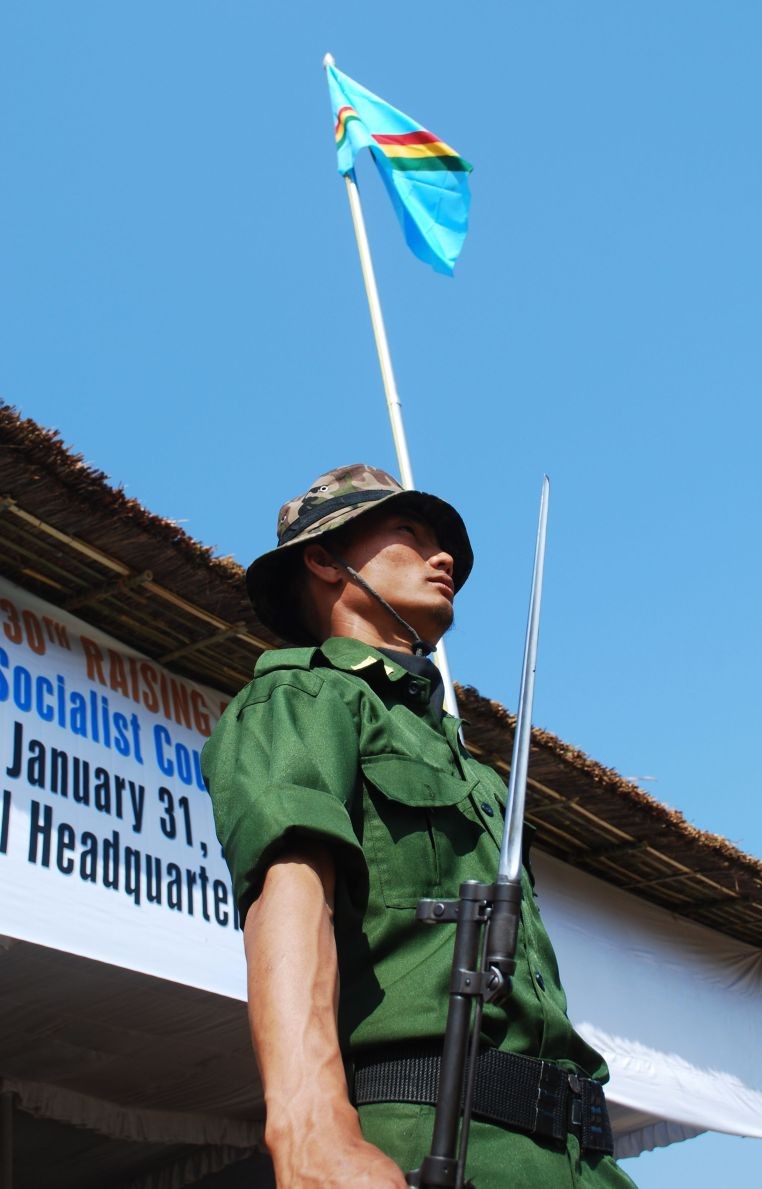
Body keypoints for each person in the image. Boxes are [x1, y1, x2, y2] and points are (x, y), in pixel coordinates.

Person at [202, 464, 637, 1189]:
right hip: (437, 1141)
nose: (446, 561)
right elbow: (290, 896)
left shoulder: (475, 768)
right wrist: (310, 1129)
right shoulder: (303, 698)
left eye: (448, 549)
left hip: (576, 1157)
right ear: (322, 556)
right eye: (411, 532)